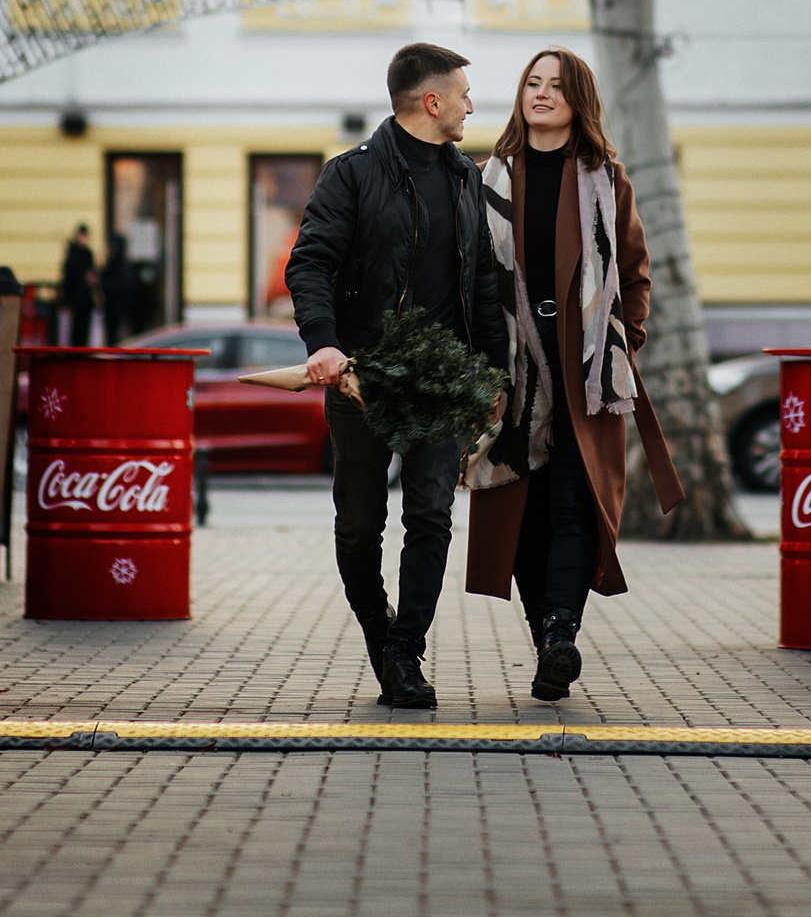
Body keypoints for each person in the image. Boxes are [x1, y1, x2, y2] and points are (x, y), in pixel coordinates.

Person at [286, 42, 506, 710]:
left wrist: (492, 375)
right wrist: (323, 344)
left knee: (432, 515)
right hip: (361, 376)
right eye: (463, 92)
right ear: (431, 101)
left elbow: (486, 283)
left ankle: (406, 650)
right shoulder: (350, 174)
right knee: (358, 525)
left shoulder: (467, 177)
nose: (472, 103)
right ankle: (382, 635)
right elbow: (310, 264)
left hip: (439, 382)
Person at [466, 47, 683, 702]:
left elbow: (637, 272)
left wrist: (623, 339)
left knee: (573, 499)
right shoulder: (490, 177)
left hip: (584, 368)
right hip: (510, 370)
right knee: (519, 511)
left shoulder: (605, 178)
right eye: (532, 83)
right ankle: (549, 644)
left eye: (556, 86)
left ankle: (562, 630)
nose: (540, 94)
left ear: (577, 99)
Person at [60, 223, 98, 347]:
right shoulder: (73, 254)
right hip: (76, 298)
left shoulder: (87, 254)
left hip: (85, 299)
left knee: (84, 329)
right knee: (74, 330)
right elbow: (68, 278)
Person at [99, 232, 138, 344]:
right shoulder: (112, 263)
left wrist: (105, 285)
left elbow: (123, 284)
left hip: (119, 310)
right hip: (112, 308)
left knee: (117, 338)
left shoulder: (122, 266)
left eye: (111, 247)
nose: (109, 250)